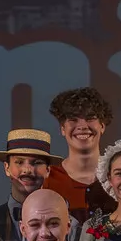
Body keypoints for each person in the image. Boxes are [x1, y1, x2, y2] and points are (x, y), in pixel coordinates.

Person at [0, 128, 56, 241]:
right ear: (6, 168)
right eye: (19, 162)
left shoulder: (68, 224)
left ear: (48, 170)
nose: (27, 170)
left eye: (36, 163)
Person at [45, 84, 114, 220]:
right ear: (63, 129)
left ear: (102, 126)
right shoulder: (47, 180)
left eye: (90, 118)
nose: (82, 126)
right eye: (73, 119)